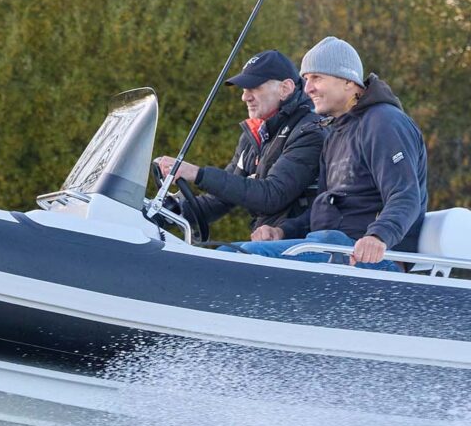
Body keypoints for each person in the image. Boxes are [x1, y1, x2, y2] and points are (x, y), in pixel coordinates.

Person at [240, 36, 427, 271]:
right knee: (232, 254)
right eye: (306, 79)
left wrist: (378, 237)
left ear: (348, 81)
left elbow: (405, 195)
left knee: (244, 258)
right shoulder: (336, 133)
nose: (307, 88)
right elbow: (323, 209)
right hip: (330, 247)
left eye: (316, 77)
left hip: (372, 258)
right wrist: (283, 230)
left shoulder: (384, 122)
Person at [154, 49, 324, 237]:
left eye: (254, 87)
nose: (245, 97)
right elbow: (220, 200)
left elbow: (271, 195)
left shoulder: (309, 131)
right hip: (263, 244)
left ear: (285, 88)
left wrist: (198, 174)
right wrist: (168, 213)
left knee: (219, 259)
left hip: (293, 246)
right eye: (244, 89)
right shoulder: (254, 136)